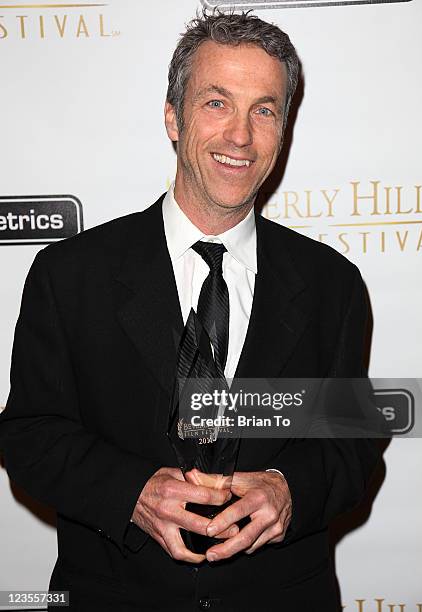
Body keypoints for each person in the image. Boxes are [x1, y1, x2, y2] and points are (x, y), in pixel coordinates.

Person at [0, 10, 382, 612]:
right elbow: (30, 434)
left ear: (283, 130)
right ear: (173, 118)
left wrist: (289, 490)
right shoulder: (70, 274)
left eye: (264, 109)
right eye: (216, 103)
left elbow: (353, 442)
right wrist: (132, 493)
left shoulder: (333, 284)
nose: (240, 136)